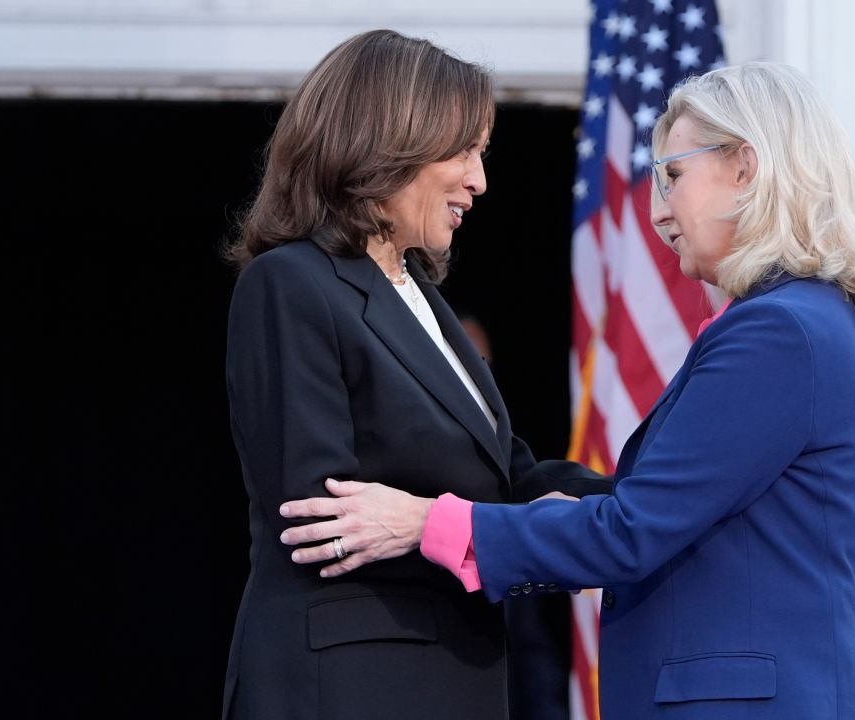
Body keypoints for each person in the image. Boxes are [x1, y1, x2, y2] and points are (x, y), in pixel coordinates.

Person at [281, 61, 855, 718]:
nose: (659, 211)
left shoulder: (779, 332)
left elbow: (633, 532)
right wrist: (556, 510)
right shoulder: (808, 323)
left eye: (673, 175)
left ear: (745, 168)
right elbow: (681, 509)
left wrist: (424, 522)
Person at [221, 29, 608, 720]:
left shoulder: (421, 297)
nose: (479, 180)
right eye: (464, 151)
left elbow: (508, 474)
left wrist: (640, 503)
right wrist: (493, 533)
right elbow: (324, 518)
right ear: (388, 140)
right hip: (350, 682)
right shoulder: (292, 283)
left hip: (444, 675)